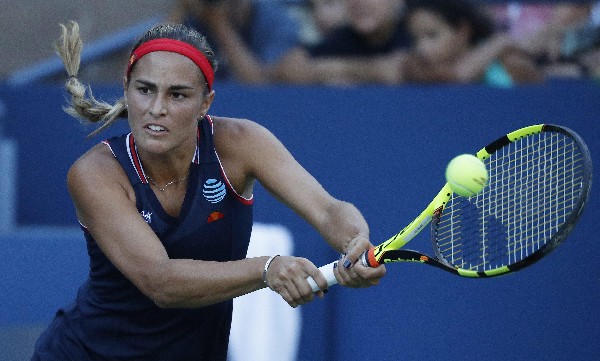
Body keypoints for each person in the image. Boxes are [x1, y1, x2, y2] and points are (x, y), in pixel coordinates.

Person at [31, 21, 385, 360]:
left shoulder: (242, 143)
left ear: (205, 103)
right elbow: (161, 283)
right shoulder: (95, 173)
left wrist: (355, 241)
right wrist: (267, 269)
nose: (157, 108)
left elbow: (327, 209)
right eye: (145, 90)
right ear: (126, 90)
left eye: (178, 95)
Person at [402, 0, 542, 86]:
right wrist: (499, 43)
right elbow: (458, 76)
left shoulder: (508, 62)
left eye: (432, 35)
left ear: (462, 31)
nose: (421, 47)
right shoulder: (416, 67)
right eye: (416, 39)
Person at [275, 0, 411, 85]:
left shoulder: (412, 32)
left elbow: (396, 71)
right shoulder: (343, 37)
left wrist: (337, 69)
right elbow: (291, 69)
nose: (359, 2)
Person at [168, 0, 301, 84]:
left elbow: (260, 87)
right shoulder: (187, 17)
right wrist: (180, 10)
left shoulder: (274, 21)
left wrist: (219, 25)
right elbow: (151, 63)